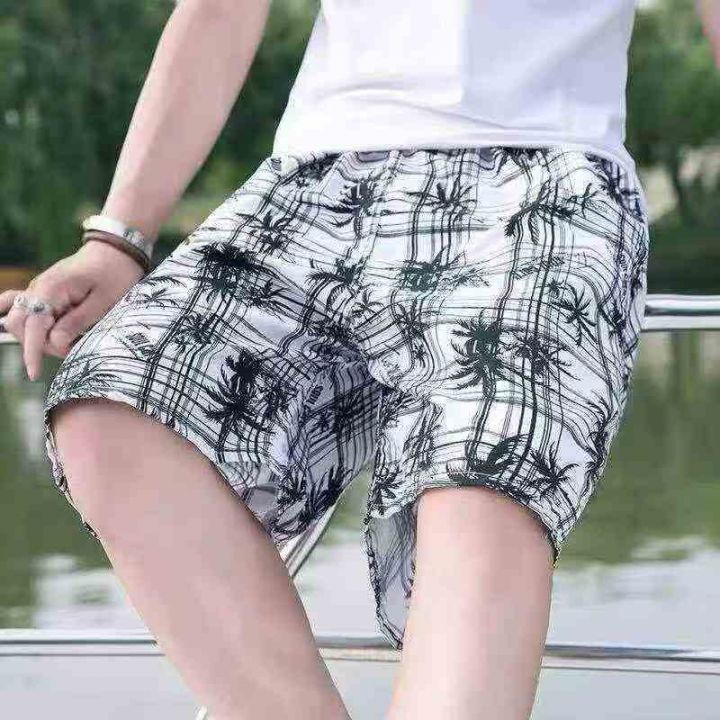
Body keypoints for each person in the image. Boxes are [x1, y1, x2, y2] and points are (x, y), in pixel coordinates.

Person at [1, 1, 718, 719]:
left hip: (547, 173)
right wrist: (119, 240)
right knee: (111, 414)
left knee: (484, 481)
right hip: (318, 176)